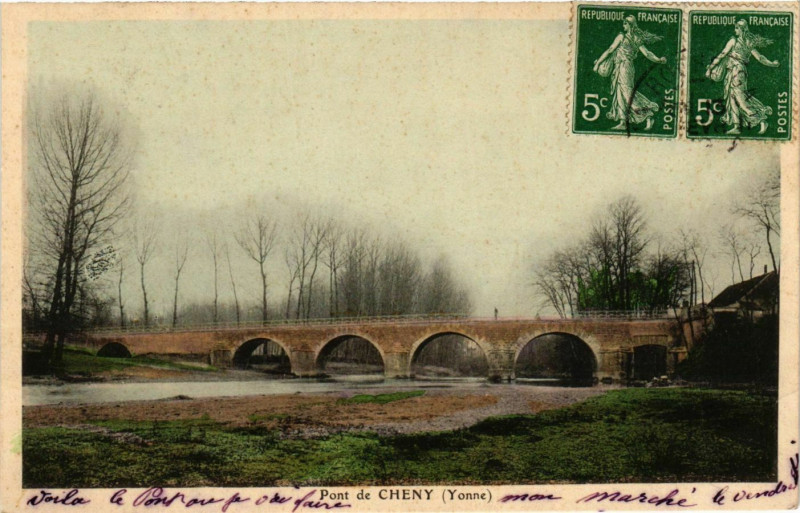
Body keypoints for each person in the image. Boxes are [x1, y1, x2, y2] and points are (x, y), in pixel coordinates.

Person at [705, 19, 779, 135]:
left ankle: (761, 120)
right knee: (732, 98)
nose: (735, 30)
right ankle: (737, 126)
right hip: (737, 72)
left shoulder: (733, 41)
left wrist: (710, 68)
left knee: (741, 99)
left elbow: (722, 54)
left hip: (736, 72)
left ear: (741, 29)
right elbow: (760, 58)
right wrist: (772, 63)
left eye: (736, 28)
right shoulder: (749, 43)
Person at [593, 15, 667, 131]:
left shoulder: (621, 37)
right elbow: (647, 53)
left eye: (625, 23)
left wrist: (598, 64)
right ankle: (623, 121)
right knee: (620, 94)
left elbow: (610, 50)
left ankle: (648, 114)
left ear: (630, 25)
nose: (623, 25)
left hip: (624, 67)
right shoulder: (637, 38)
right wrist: (658, 59)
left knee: (627, 94)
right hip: (623, 67)